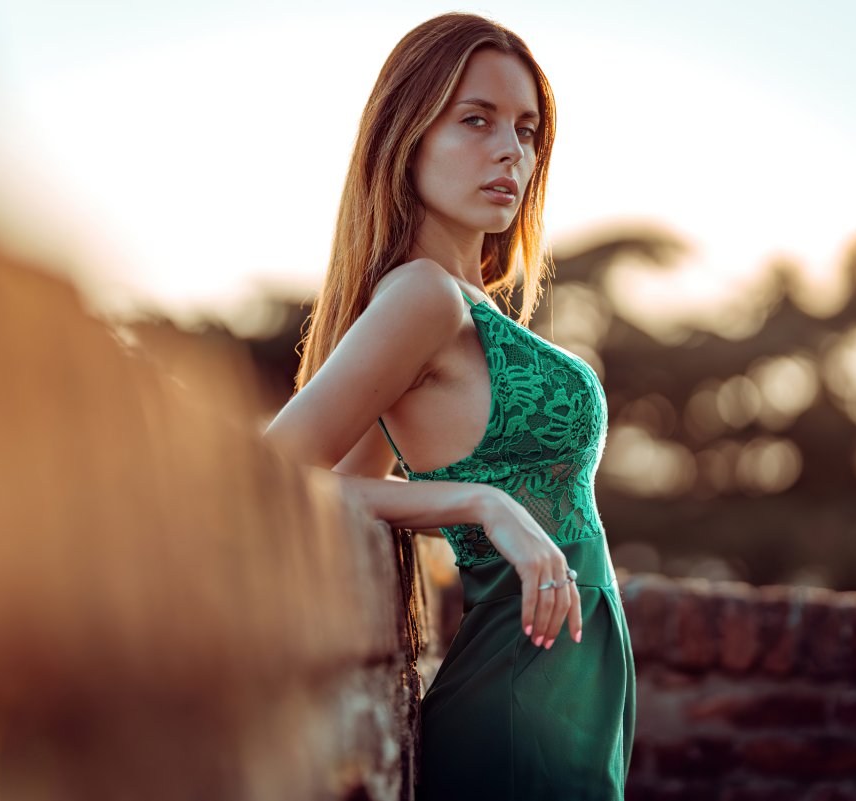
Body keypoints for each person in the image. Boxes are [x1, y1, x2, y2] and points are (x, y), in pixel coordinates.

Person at [263, 12, 636, 800]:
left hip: (567, 705)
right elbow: (271, 476)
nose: (513, 150)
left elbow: (357, 485)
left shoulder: (468, 304)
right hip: (513, 706)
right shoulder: (422, 295)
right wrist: (479, 501)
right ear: (407, 137)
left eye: (528, 130)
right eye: (477, 120)